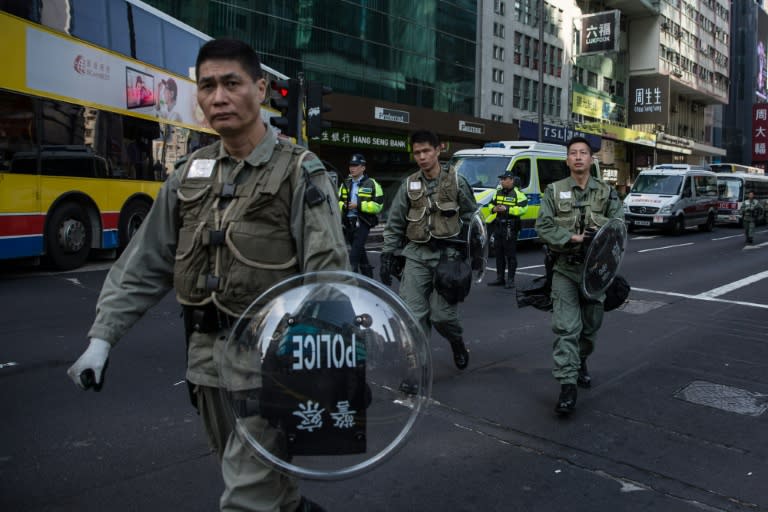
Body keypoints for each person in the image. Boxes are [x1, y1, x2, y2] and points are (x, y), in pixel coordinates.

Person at [66, 38, 347, 512]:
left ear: (260, 89)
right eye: (208, 86)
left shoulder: (300, 171)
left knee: (245, 499)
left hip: (271, 366)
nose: (219, 97)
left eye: (232, 84)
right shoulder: (188, 175)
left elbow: (328, 274)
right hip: (205, 364)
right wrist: (102, 339)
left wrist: (319, 366)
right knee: (267, 487)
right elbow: (144, 262)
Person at [535, 136, 624, 416]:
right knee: (565, 329)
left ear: (591, 159)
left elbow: (619, 228)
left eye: (583, 153)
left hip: (595, 274)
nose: (577, 157)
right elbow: (543, 225)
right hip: (565, 268)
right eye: (572, 153)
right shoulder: (554, 191)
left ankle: (581, 359)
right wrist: (570, 237)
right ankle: (567, 385)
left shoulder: (606, 193)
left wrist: (602, 238)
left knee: (589, 329)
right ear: (567, 160)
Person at [380, 130, 477, 370]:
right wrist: (387, 254)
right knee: (413, 315)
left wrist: (471, 253)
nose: (422, 157)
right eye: (417, 153)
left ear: (438, 150)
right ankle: (417, 368)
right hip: (416, 255)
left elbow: (472, 217)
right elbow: (395, 223)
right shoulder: (409, 184)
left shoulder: (456, 181)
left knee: (442, 317)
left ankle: (456, 341)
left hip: (448, 257)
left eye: (426, 151)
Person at [338, 153, 384, 277]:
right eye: (351, 165)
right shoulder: (345, 183)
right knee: (359, 251)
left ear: (363, 168)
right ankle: (368, 276)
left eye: (355, 165)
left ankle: (350, 281)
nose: (352, 168)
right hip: (348, 222)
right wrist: (343, 205)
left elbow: (378, 205)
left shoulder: (372, 183)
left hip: (363, 221)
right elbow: (337, 201)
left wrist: (358, 205)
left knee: (353, 256)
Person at [486, 170, 528, 288]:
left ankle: (510, 280)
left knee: (510, 254)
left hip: (511, 227)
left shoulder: (518, 194)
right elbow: (490, 204)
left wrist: (508, 210)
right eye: (501, 179)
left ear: (511, 180)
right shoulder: (497, 192)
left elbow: (524, 208)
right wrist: (494, 209)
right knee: (499, 253)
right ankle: (500, 278)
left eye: (504, 179)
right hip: (498, 226)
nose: (502, 181)